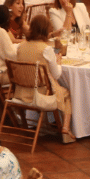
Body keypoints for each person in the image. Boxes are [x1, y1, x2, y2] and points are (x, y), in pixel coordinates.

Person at [13, 14, 76, 143]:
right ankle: (65, 127)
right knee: (67, 93)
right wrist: (58, 61)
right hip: (40, 92)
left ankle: (47, 124)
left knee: (54, 86)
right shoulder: (46, 49)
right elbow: (57, 75)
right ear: (45, 30)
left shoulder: (22, 46)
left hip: (21, 91)